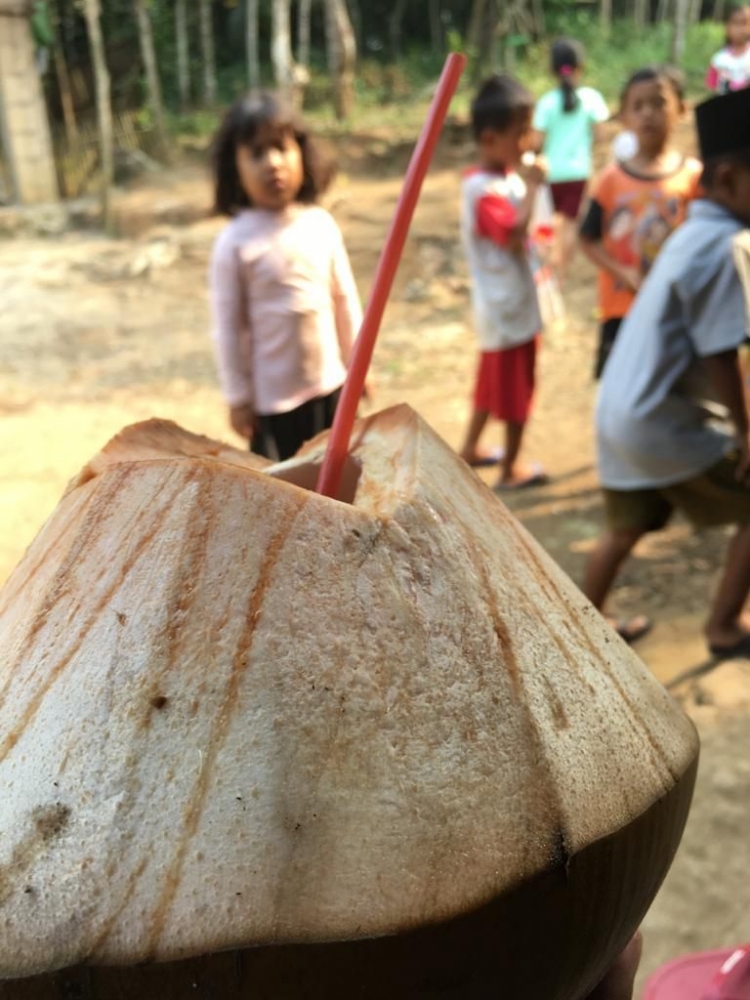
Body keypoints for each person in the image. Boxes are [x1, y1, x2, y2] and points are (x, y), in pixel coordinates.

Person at [583, 86, 750, 660]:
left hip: (619, 411)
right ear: (728, 180)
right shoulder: (723, 245)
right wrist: (746, 433)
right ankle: (726, 626)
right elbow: (721, 350)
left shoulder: (693, 235)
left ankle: (584, 630)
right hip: (662, 420)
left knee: (624, 529)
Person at [209, 91, 363, 462]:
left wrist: (359, 366)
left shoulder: (320, 224)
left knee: (338, 481)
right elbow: (228, 329)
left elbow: (345, 299)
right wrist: (239, 398)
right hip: (273, 405)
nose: (273, 163)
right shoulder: (234, 244)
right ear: (235, 168)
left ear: (302, 154)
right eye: (257, 153)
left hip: (330, 388)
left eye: (281, 148)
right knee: (286, 492)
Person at [579, 65, 702, 384]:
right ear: (623, 117)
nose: (648, 113)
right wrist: (625, 274)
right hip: (622, 309)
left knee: (673, 384)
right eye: (637, 106)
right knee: (620, 385)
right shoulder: (610, 180)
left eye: (658, 103)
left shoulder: (693, 178)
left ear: (682, 109)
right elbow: (587, 239)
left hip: (677, 308)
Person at [457, 74, 548, 489]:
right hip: (505, 306)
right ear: (492, 139)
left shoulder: (504, 177)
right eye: (520, 133)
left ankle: (470, 449)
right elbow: (512, 237)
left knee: (491, 383)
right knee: (515, 390)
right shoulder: (482, 190)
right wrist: (531, 189)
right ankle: (511, 466)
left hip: (506, 304)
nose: (528, 141)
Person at [531, 38, 610, 282]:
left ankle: (549, 268)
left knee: (551, 222)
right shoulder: (591, 98)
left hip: (551, 173)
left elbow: (535, 141)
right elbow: (601, 134)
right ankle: (562, 272)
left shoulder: (546, 102)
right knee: (570, 223)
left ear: (551, 69)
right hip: (578, 171)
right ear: (580, 67)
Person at [705, 2, 750, 94]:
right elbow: (711, 88)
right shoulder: (719, 60)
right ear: (727, 27)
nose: (741, 28)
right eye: (736, 23)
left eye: (745, 23)